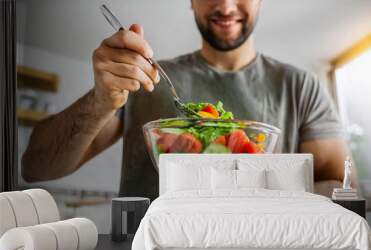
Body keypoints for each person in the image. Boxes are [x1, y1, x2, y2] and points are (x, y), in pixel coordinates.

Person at [22, 0, 352, 200]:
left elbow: (343, 188)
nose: (225, 6)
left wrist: (261, 185)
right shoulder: (143, 79)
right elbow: (35, 167)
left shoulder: (301, 86)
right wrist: (101, 99)